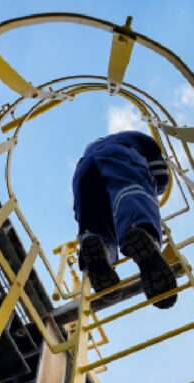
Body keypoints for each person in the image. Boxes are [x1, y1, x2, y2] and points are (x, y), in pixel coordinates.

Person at [72, 130, 177, 309]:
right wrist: (157, 187)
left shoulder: (88, 153)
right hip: (118, 155)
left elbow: (78, 210)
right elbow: (158, 169)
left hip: (83, 171)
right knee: (131, 193)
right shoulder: (131, 137)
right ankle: (141, 231)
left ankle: (99, 245)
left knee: (93, 220)